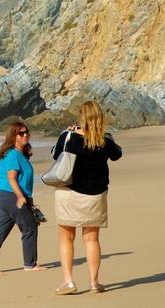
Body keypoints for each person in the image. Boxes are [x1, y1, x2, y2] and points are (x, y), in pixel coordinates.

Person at [52, 100, 122, 295]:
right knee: (91, 240)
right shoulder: (105, 140)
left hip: (69, 193)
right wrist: (104, 134)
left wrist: (67, 132)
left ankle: (69, 281)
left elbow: (55, 155)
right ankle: (94, 282)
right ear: (100, 117)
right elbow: (117, 155)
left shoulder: (69, 137)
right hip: (96, 195)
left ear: (81, 117)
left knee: (67, 238)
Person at [0, 121, 46, 273]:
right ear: (13, 136)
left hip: (2, 195)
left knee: (1, 230)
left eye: (26, 132)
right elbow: (12, 178)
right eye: (20, 133)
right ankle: (30, 264)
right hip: (10, 195)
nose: (25, 135)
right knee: (30, 227)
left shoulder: (17, 154)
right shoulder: (13, 154)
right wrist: (20, 197)